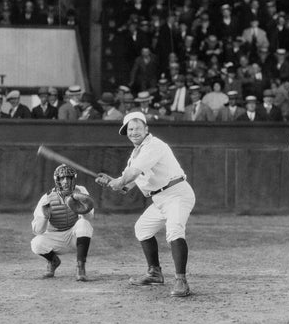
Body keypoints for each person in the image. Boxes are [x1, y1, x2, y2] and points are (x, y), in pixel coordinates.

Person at [96, 111, 196, 298]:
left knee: (174, 231)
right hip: (160, 198)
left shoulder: (154, 145)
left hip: (177, 194)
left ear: (146, 129)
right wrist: (114, 182)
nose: (134, 132)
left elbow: (132, 174)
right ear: (126, 132)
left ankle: (181, 281)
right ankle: (155, 273)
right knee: (142, 229)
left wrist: (120, 181)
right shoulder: (135, 154)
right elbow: (127, 183)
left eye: (138, 128)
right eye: (130, 129)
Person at [31, 164, 95, 281]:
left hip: (73, 236)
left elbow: (89, 218)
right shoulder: (47, 198)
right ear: (57, 180)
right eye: (62, 178)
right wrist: (45, 217)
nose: (66, 181)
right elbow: (37, 231)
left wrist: (84, 209)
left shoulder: (80, 191)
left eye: (69, 178)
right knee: (36, 244)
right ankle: (53, 261)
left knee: (84, 224)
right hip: (55, 237)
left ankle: (80, 268)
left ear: (73, 179)